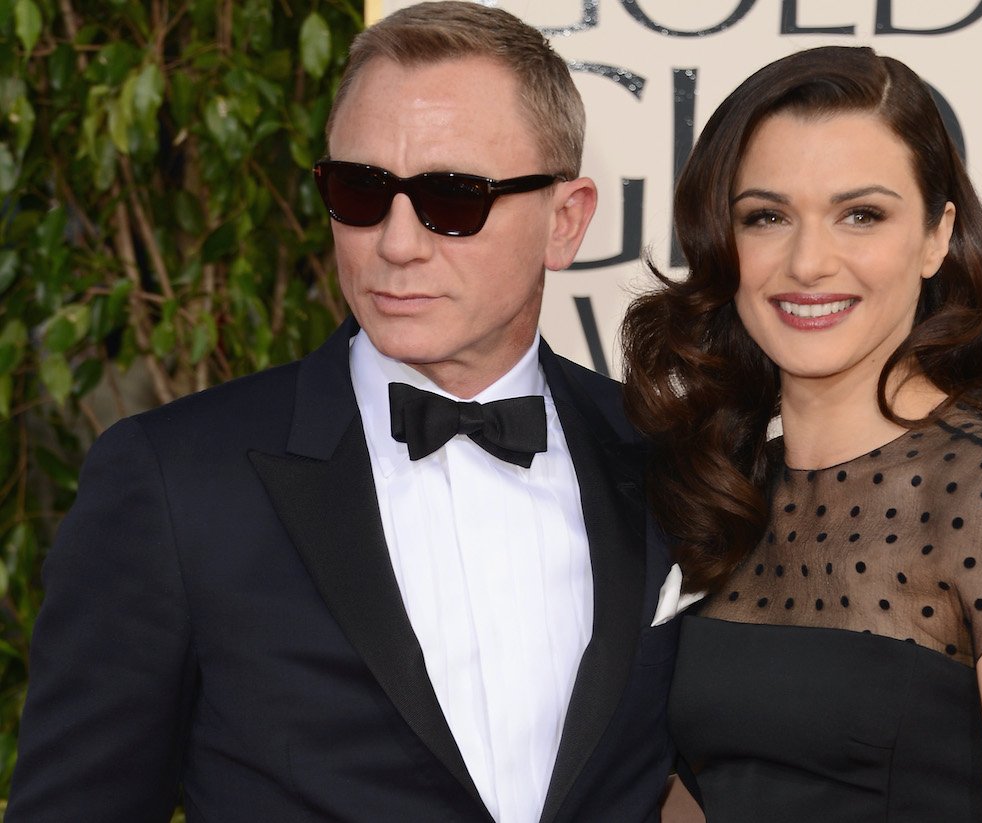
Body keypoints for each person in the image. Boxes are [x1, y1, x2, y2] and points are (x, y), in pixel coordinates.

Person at [8, 4, 679, 821]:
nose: (395, 243)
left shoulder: (670, 462)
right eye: (360, 190)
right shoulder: (174, 481)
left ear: (565, 220)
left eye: (452, 198)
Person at [621, 46, 982, 823]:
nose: (809, 261)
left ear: (936, 237)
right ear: (725, 241)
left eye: (862, 214)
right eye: (767, 216)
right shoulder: (722, 487)